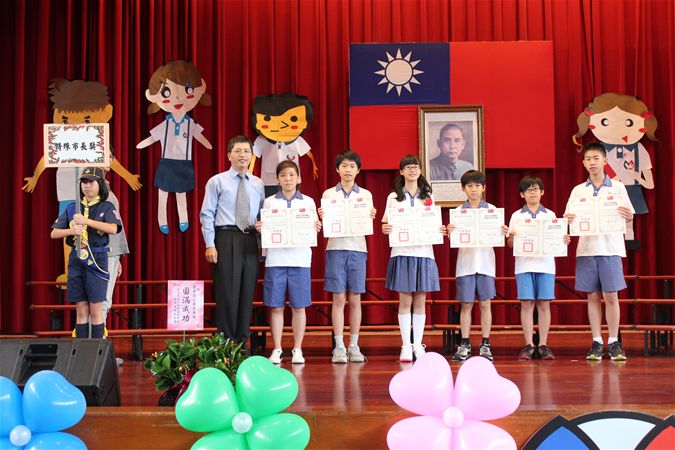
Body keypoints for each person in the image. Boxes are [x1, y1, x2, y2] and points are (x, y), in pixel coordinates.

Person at [23, 79, 141, 281]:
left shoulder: (95, 144)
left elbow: (110, 162)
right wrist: (35, 177)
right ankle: (72, 272)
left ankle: (97, 265)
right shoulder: (62, 141)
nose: (75, 125)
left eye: (86, 121)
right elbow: (47, 157)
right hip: (67, 193)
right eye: (66, 119)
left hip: (94, 200)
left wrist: (128, 176)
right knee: (69, 231)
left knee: (95, 228)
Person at [564, 142, 634, 361]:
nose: (592, 162)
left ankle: (613, 342)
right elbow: (568, 218)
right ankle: (596, 341)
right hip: (586, 250)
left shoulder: (618, 187)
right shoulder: (578, 190)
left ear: (605, 160)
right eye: (588, 159)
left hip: (610, 248)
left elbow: (629, 215)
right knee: (592, 296)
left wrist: (629, 216)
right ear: (583, 163)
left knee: (611, 295)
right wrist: (567, 220)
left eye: (596, 158)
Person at [200, 135, 264, 344]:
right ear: (229, 155)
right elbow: (207, 214)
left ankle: (242, 344)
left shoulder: (258, 183)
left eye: (246, 151)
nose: (242, 155)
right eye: (237, 151)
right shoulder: (217, 181)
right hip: (225, 238)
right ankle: (226, 345)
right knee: (227, 293)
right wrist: (210, 244)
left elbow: (262, 213)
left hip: (250, 239)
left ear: (251, 155)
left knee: (247, 292)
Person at [256, 160, 321, 364]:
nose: (288, 179)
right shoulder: (269, 202)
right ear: (277, 179)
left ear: (299, 178)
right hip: (275, 260)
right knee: (276, 307)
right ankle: (277, 348)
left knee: (299, 307)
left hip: (300, 260)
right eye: (283, 175)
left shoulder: (308, 202)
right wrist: (261, 228)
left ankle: (297, 349)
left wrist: (316, 227)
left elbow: (313, 228)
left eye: (292, 175)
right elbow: (265, 229)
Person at [382, 155, 445, 362]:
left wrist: (440, 230)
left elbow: (434, 223)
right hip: (402, 252)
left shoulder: (428, 196)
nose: (412, 170)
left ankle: (418, 344)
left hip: (424, 253)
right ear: (401, 171)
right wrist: (386, 228)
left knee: (420, 300)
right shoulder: (393, 197)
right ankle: (406, 346)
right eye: (408, 167)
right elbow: (385, 224)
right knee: (405, 300)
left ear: (420, 171)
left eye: (415, 167)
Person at [138, 60, 212, 234]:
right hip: (166, 162)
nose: (178, 99)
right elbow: (152, 138)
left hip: (183, 163)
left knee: (181, 194)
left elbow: (199, 136)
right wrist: (141, 144)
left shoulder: (190, 123)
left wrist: (207, 144)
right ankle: (162, 221)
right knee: (162, 194)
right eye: (167, 92)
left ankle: (183, 219)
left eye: (187, 90)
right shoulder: (166, 124)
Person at [318, 151, 376, 364]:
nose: (348, 170)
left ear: (358, 170)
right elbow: (324, 224)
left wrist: (370, 215)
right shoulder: (328, 195)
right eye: (344, 166)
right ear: (337, 169)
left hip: (358, 249)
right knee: (338, 298)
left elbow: (367, 222)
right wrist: (323, 216)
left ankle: (354, 345)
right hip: (335, 248)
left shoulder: (366, 195)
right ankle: (339, 346)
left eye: (352, 166)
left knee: (355, 298)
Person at [50, 167, 122, 339]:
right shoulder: (72, 208)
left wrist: (87, 221)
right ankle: (80, 348)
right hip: (77, 259)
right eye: (84, 182)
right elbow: (54, 233)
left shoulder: (106, 206)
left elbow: (113, 228)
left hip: (97, 259)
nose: (87, 186)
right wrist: (71, 230)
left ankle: (97, 349)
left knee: (96, 308)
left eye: (91, 182)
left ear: (100, 184)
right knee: (81, 309)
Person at [506, 176, 570, 360]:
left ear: (542, 192)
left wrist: (563, 240)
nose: (532, 192)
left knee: (543, 303)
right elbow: (509, 244)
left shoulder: (550, 215)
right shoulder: (516, 216)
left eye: (535, 189)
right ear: (522, 194)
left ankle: (543, 344)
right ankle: (528, 344)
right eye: (528, 190)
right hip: (524, 265)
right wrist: (512, 238)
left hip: (546, 265)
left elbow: (558, 240)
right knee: (526, 304)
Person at [448, 170, 509, 362]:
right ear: (463, 189)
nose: (473, 189)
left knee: (485, 304)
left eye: (477, 186)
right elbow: (453, 238)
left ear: (484, 188)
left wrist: (503, 231)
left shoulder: (492, 211)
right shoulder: (458, 212)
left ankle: (485, 343)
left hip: (486, 264)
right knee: (466, 305)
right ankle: (465, 343)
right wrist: (450, 231)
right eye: (469, 186)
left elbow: (500, 237)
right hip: (465, 265)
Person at [250, 93, 319, 197]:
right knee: (270, 201)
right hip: (269, 179)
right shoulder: (262, 139)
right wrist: (250, 171)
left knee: (293, 201)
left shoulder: (296, 139)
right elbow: (254, 155)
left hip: (291, 179)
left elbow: (308, 153)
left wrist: (314, 165)